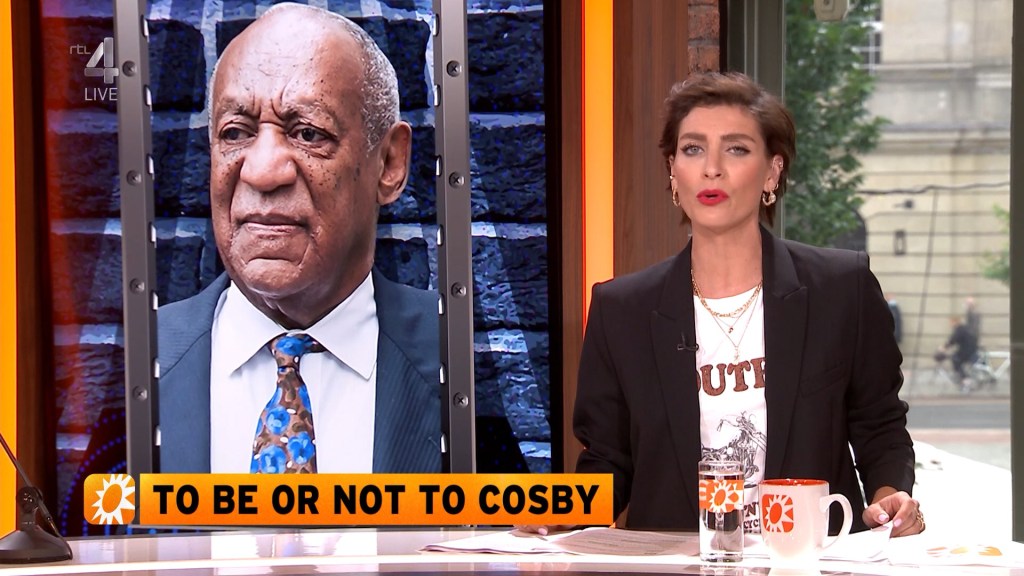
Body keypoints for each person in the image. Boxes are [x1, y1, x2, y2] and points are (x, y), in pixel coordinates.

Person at [528, 72, 921, 537]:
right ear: (673, 171)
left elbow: (880, 428)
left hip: (807, 560)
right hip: (676, 562)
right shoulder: (622, 309)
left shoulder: (841, 288)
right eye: (693, 149)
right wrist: (558, 508)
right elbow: (608, 461)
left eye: (736, 149)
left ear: (772, 171)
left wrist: (889, 500)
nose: (711, 168)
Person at [156, 3, 440, 474]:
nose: (263, 171)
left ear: (389, 163)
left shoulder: (461, 357)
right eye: (235, 132)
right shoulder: (139, 362)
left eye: (308, 133)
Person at [938, 315, 979, 385]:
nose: (950, 324)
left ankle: (965, 379)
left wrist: (944, 347)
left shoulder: (959, 330)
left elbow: (953, 340)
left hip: (967, 351)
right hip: (971, 350)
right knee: (957, 358)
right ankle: (963, 378)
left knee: (955, 359)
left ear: (955, 322)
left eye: (951, 322)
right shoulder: (964, 328)